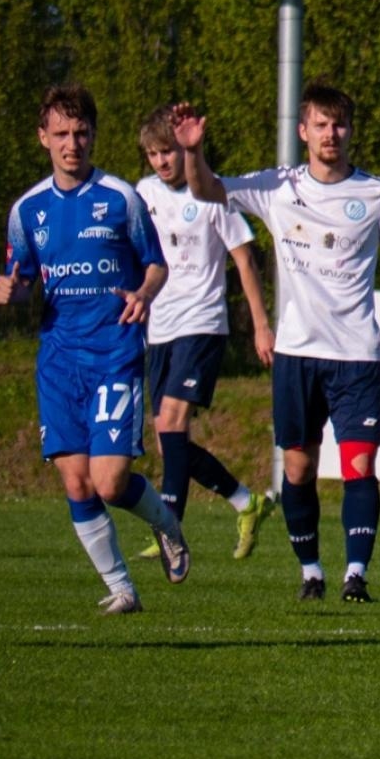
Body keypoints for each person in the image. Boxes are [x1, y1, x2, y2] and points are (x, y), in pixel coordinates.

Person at [170, 82, 380, 603]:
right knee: (298, 469)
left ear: (350, 132)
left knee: (360, 465)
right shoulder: (278, 187)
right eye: (321, 125)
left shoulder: (377, 194)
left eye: (339, 125)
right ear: (303, 132)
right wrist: (192, 151)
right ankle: (311, 571)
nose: (331, 134)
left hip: (357, 357)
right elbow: (207, 190)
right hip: (297, 356)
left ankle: (355, 574)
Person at [0, 85, 190, 613]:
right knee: (75, 480)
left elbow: (156, 263)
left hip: (114, 352)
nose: (71, 143)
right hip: (59, 361)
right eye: (60, 133)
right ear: (43, 138)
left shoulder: (121, 198)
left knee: (109, 482)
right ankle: (121, 588)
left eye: (81, 132)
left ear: (93, 136)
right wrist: (11, 292)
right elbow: (22, 278)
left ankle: (164, 522)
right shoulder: (26, 210)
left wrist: (145, 293)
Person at [132, 104, 274, 561]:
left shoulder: (212, 193)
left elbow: (245, 259)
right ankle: (244, 501)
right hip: (160, 328)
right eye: (153, 154)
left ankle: (168, 529)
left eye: (168, 151)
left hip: (202, 323)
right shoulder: (143, 193)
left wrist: (260, 324)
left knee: (173, 423)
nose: (161, 162)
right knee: (169, 441)